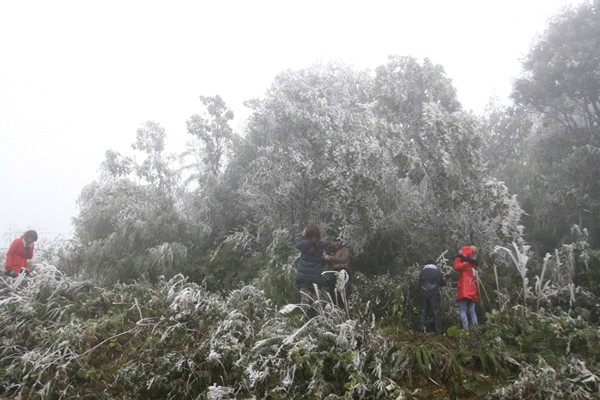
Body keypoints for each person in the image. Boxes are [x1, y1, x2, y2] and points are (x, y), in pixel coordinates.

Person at [295, 225, 326, 303]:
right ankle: (319, 314)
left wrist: (302, 235)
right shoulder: (321, 245)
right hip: (316, 277)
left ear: (308, 233)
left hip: (304, 278)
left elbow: (297, 244)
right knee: (318, 301)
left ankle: (304, 314)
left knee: (304, 301)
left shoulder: (304, 244)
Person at [454, 245, 479, 331]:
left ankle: (466, 331)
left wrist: (458, 256)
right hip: (472, 289)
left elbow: (456, 266)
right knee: (472, 310)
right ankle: (476, 330)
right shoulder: (472, 265)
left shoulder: (466, 264)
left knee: (462, 310)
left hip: (465, 289)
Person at [418, 260, 447, 333]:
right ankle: (437, 330)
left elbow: (419, 283)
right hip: (434, 294)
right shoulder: (437, 272)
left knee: (423, 311)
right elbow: (443, 283)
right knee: (436, 311)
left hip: (423, 294)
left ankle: (422, 329)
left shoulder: (421, 273)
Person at [323, 237, 350, 308]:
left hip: (342, 271)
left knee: (340, 291)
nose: (337, 243)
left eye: (338, 241)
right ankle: (336, 308)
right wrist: (325, 256)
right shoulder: (334, 251)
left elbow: (344, 259)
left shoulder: (345, 249)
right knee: (333, 291)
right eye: (335, 241)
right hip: (334, 272)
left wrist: (330, 257)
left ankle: (343, 308)